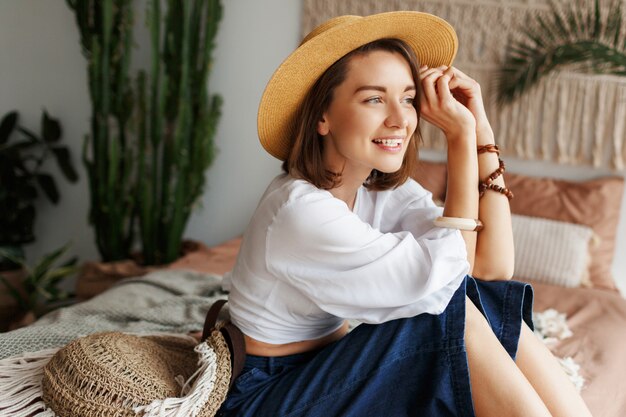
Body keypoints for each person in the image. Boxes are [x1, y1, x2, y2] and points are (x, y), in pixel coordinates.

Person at [218, 11, 593, 417]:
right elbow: (448, 282)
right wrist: (459, 139)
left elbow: (490, 269)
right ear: (322, 116)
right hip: (267, 396)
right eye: (374, 98)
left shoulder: (377, 192)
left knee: (477, 299)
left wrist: (481, 129)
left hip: (319, 373)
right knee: (443, 310)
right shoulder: (300, 213)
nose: (400, 119)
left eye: (408, 98)